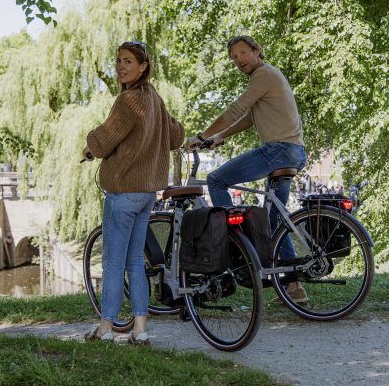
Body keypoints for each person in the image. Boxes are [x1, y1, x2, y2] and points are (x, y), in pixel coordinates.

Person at [184, 35, 308, 302]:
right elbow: (249, 118)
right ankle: (294, 287)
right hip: (293, 151)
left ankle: (235, 242)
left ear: (256, 51)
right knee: (275, 220)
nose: (238, 60)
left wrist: (202, 135)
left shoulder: (263, 74)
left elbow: (235, 110)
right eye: (233, 57)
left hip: (279, 150)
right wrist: (219, 138)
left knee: (217, 179)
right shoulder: (270, 78)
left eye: (242, 53)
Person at [82, 41, 184, 345]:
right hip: (146, 194)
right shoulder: (155, 99)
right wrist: (156, 130)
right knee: (135, 263)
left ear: (143, 67)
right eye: (118, 61)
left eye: (128, 61)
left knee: (113, 263)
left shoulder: (128, 101)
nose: (121, 66)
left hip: (124, 192)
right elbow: (176, 136)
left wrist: (89, 147)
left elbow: (103, 141)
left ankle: (106, 327)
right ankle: (140, 329)